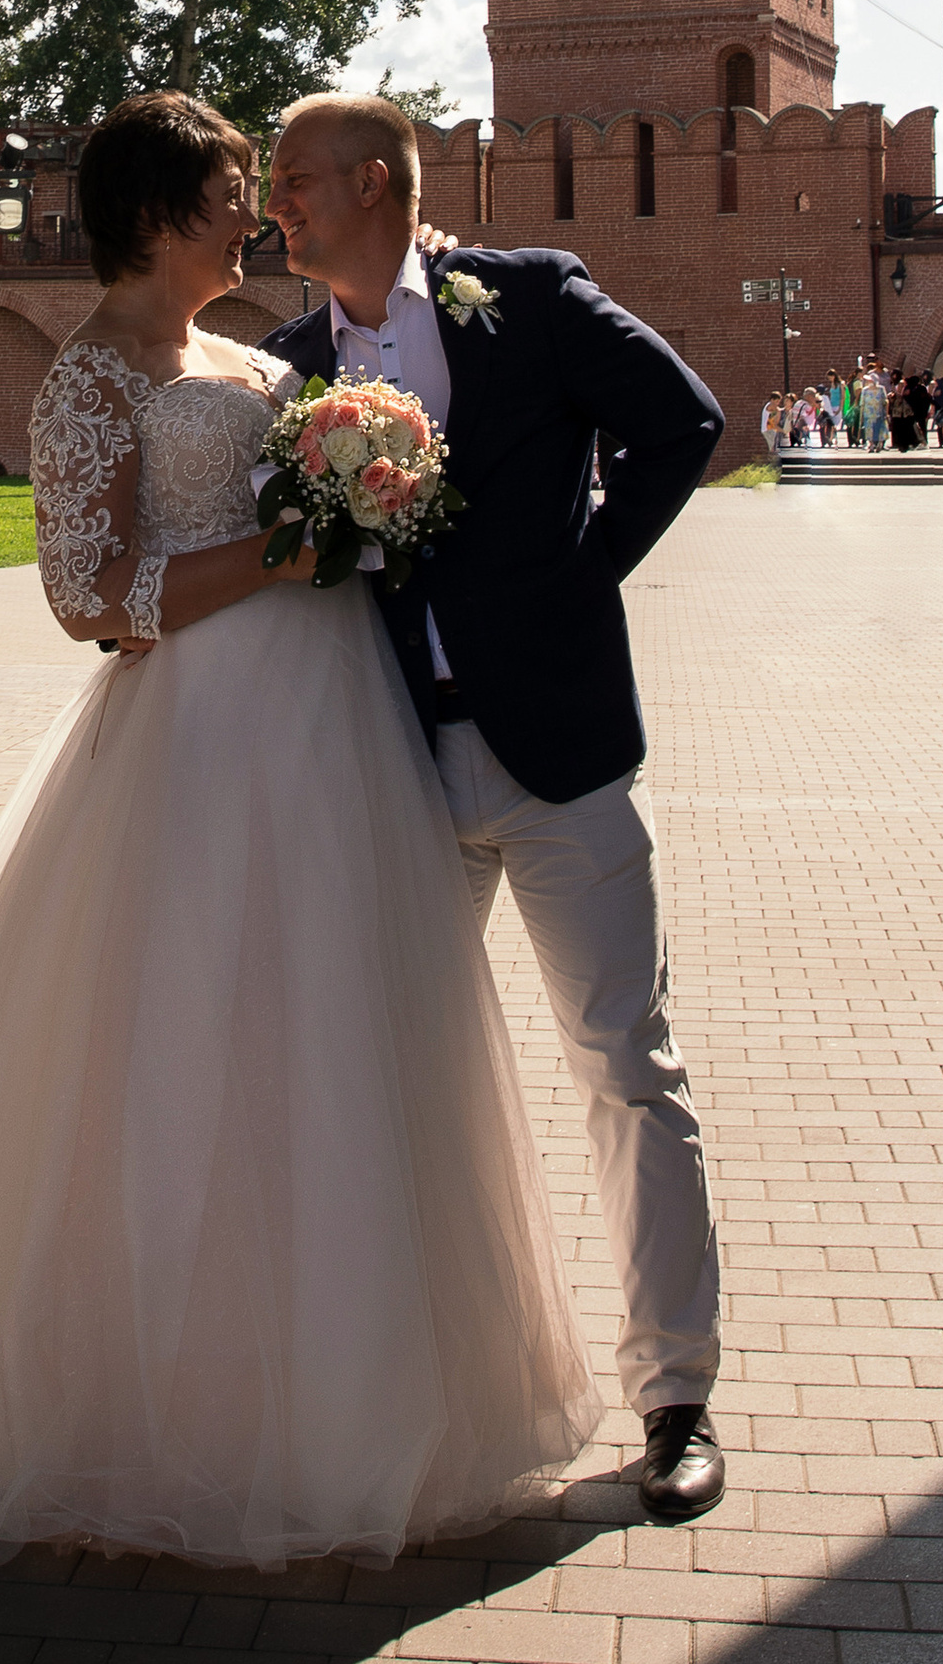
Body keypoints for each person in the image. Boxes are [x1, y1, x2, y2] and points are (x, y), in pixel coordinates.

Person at [0, 92, 601, 1570]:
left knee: (330, 1044)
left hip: (334, 734)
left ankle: (347, 1378)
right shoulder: (90, 376)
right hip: (195, 748)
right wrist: (286, 550)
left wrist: (362, 499)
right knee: (168, 1051)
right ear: (162, 212)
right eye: (231, 186)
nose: (256, 208)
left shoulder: (249, 357)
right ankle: (158, 1403)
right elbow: (91, 601)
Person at [262, 93, 728, 1528]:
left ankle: (678, 1402)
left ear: (382, 184)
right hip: (392, 764)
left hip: (558, 758)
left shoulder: (520, 299)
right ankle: (400, 1400)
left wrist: (581, 581)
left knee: (626, 1065)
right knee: (394, 1074)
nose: (275, 206)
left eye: (297, 182)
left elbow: (683, 424)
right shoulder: (283, 368)